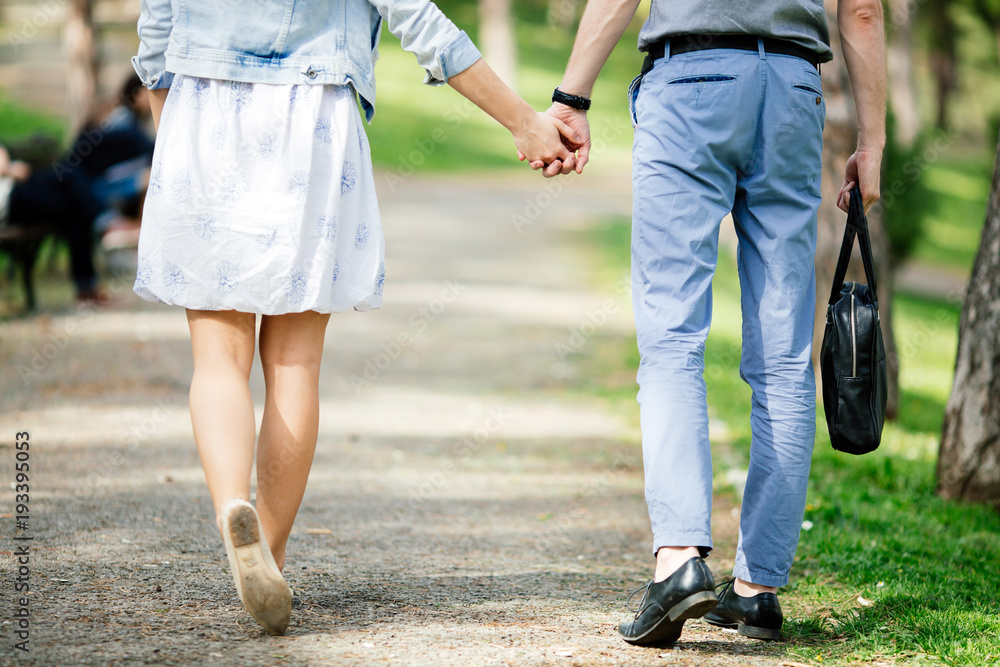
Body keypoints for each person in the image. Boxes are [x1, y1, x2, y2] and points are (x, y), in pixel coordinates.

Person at [131, 0, 577, 636]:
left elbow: (157, 28)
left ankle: (235, 508)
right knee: (294, 363)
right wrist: (524, 122)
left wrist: (169, 135)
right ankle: (271, 558)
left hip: (201, 109)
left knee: (217, 356)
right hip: (312, 115)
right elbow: (419, 20)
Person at [537, 0, 886, 645]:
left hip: (692, 80)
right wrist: (872, 139)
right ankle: (758, 591)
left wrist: (570, 98)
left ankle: (678, 562)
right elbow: (862, 10)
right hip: (792, 90)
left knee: (672, 337)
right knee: (784, 359)